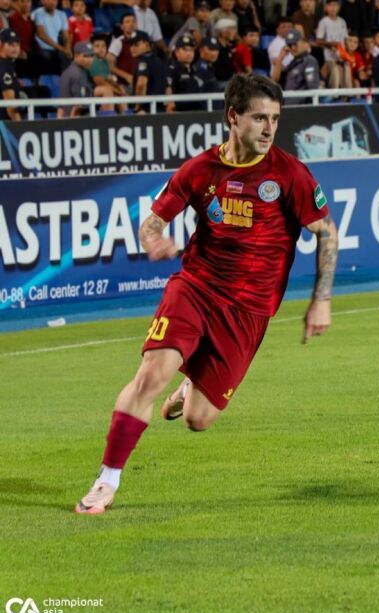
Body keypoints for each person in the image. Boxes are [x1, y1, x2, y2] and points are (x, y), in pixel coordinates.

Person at [74, 73, 339, 515]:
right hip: (196, 287)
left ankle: (191, 383)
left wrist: (322, 299)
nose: (269, 129)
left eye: (275, 119)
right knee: (150, 377)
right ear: (233, 117)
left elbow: (326, 233)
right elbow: (152, 222)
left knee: (199, 420)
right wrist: (153, 239)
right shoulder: (199, 170)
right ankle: (107, 479)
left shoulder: (289, 173)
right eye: (259, 118)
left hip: (249, 310)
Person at [130, 30, 171, 112]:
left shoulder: (144, 60)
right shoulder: (158, 60)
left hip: (147, 110)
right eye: (131, 45)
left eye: (136, 44)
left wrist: (138, 106)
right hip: (160, 109)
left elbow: (141, 84)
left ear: (146, 44)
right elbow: (168, 88)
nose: (132, 48)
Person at [276, 29, 321, 103]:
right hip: (288, 105)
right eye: (290, 45)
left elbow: (313, 89)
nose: (293, 48)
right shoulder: (292, 64)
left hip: (301, 107)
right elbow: (275, 80)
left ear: (303, 43)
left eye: (295, 44)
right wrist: (279, 59)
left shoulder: (309, 61)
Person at [58, 41, 95, 117]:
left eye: (92, 56)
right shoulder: (78, 74)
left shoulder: (67, 71)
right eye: (86, 56)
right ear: (76, 56)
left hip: (66, 119)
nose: (90, 60)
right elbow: (78, 105)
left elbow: (61, 108)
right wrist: (73, 123)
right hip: (78, 120)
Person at [316, 0, 349, 85]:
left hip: (342, 56)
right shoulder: (323, 22)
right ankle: (334, 92)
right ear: (326, 7)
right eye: (330, 5)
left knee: (347, 71)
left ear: (338, 7)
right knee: (335, 72)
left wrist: (348, 54)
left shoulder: (342, 21)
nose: (332, 8)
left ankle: (347, 93)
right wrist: (331, 44)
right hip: (329, 57)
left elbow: (345, 40)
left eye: (335, 5)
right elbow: (318, 40)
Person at [33, 0, 70, 74]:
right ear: (42, 1)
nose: (52, 2)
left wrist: (68, 48)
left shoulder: (62, 14)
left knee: (66, 56)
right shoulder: (38, 13)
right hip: (42, 48)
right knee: (47, 56)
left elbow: (66, 35)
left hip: (57, 48)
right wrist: (61, 48)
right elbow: (41, 35)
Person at [168, 34, 202, 110]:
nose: (189, 53)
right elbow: (168, 89)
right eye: (185, 50)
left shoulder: (196, 70)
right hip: (180, 112)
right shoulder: (172, 70)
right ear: (176, 52)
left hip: (197, 111)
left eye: (191, 50)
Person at [107, 13, 138, 88]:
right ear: (121, 26)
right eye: (127, 21)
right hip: (124, 84)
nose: (131, 24)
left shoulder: (142, 42)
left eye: (133, 21)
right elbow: (108, 64)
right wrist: (126, 76)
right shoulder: (118, 42)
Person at [0, 29, 22, 120]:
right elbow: (10, 105)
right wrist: (21, 126)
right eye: (10, 44)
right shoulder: (4, 66)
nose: (15, 48)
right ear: (0, 44)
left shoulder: (9, 64)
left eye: (17, 44)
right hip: (4, 124)